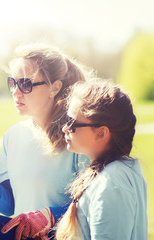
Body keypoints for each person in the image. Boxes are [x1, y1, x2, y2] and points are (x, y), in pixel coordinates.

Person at [0, 44, 91, 239]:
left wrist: (49, 217)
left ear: (54, 87)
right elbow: (10, 205)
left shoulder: (77, 137)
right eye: (13, 83)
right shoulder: (12, 136)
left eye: (26, 84)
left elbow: (92, 204)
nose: (16, 92)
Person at [54, 80, 147, 239]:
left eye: (71, 122)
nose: (64, 128)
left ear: (102, 133)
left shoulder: (111, 184)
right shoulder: (115, 173)